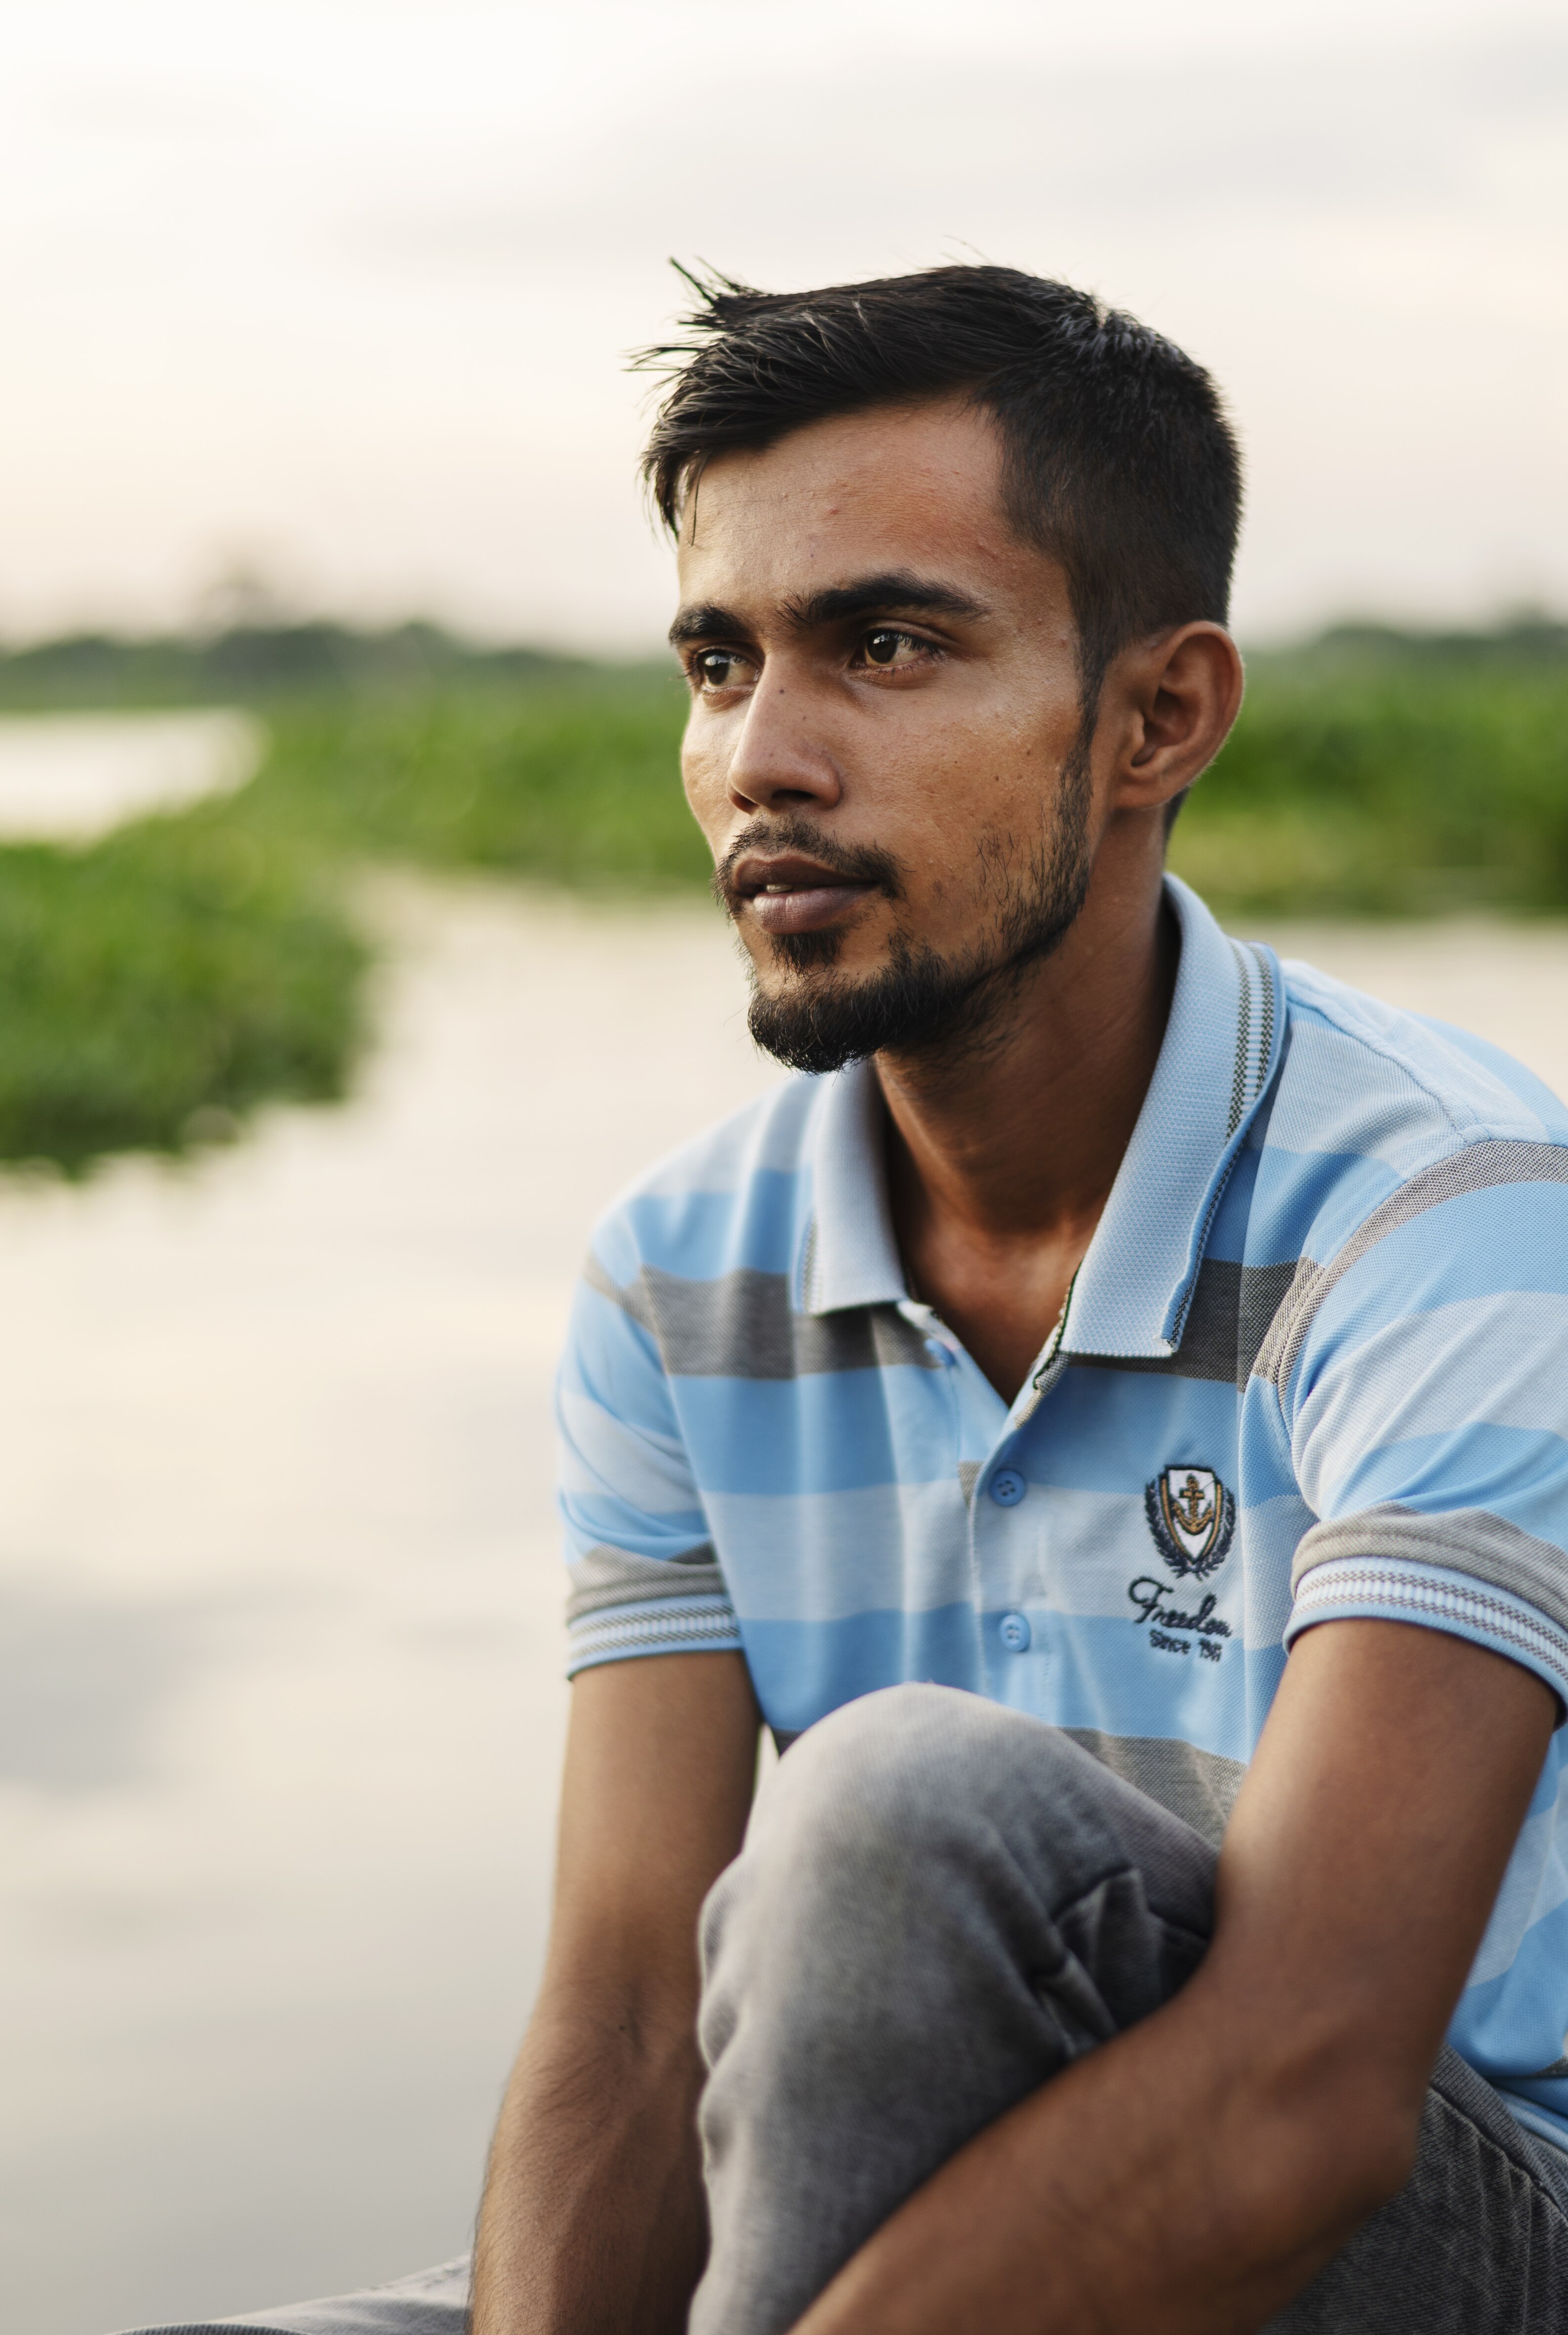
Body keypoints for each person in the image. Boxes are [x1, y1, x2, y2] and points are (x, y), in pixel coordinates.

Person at [121, 266, 1568, 2335]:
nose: (761, 759)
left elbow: (1303, 2091)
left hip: (1447, 2224)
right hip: (871, 2193)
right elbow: (627, 2021)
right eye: (718, 662)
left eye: (883, 645)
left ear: (1156, 717)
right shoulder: (675, 1279)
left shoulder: (1445, 1217)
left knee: (898, 1800)